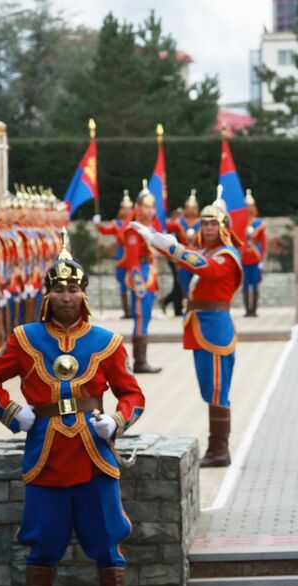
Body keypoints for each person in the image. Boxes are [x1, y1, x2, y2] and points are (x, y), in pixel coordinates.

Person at [0, 232, 146, 586]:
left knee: (107, 544)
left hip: (94, 456)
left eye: (73, 289)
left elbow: (133, 395)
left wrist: (117, 420)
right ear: (46, 294)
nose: (66, 296)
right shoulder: (25, 337)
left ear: (83, 294)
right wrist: (14, 414)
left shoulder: (107, 341)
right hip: (45, 457)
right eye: (58, 289)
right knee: (43, 545)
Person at [130, 188, 241, 468]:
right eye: (204, 223)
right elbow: (195, 259)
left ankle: (219, 450)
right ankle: (217, 448)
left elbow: (206, 269)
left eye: (213, 223)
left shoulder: (226, 256)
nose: (207, 227)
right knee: (210, 391)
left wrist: (169, 246)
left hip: (214, 330)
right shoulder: (209, 251)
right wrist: (158, 242)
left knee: (217, 391)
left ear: (224, 227)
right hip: (203, 328)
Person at [124, 181, 162, 375]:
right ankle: (139, 361)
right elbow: (132, 260)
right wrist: (138, 284)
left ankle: (142, 359)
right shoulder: (134, 229)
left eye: (152, 206)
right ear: (138, 208)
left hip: (150, 272)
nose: (149, 210)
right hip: (141, 275)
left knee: (145, 317)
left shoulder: (149, 227)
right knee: (140, 318)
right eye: (146, 206)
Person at [94, 191, 134, 319]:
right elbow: (105, 230)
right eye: (124, 209)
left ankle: (134, 310)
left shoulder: (135, 223)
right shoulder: (116, 223)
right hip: (121, 254)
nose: (127, 211)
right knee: (122, 283)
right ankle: (126, 310)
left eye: (129, 209)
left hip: (133, 252)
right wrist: (98, 224)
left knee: (135, 281)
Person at [166, 191, 200, 306]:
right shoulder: (179, 222)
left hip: (197, 255)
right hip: (183, 255)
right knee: (183, 282)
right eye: (188, 208)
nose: (190, 210)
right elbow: (166, 225)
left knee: (197, 282)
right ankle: (187, 304)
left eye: (193, 208)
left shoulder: (201, 223)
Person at [242, 190, 266, 318]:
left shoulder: (259, 223)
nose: (248, 209)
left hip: (255, 257)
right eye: (246, 206)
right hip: (244, 258)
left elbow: (263, 241)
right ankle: (247, 310)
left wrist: (262, 257)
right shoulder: (240, 222)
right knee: (245, 285)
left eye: (250, 206)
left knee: (255, 285)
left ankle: (254, 310)